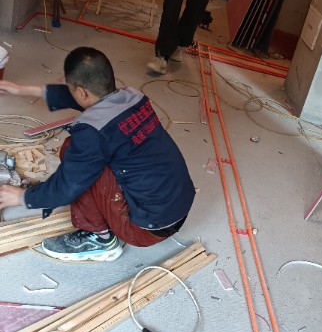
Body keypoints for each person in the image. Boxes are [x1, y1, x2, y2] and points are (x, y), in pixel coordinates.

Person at [0, 47, 196, 262]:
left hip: (147, 229)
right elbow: (83, 97)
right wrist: (22, 89)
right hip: (177, 209)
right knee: (97, 156)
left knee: (73, 153)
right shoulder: (133, 97)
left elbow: (66, 188)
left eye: (73, 89)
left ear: (82, 92)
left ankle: (100, 239)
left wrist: (21, 197)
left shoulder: (91, 133)